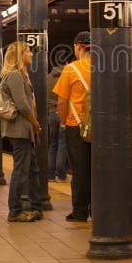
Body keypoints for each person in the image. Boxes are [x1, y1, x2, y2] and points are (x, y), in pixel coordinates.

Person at [1, 41, 44, 222]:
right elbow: (23, 105)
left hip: (24, 129)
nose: (31, 54)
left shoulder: (22, 75)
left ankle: (36, 206)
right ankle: (15, 211)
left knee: (33, 169)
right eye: (27, 52)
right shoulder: (14, 76)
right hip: (20, 129)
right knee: (20, 171)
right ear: (19, 55)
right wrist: (35, 123)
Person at [53, 32, 92, 222]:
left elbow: (62, 102)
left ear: (77, 47)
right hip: (99, 127)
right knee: (97, 168)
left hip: (75, 125)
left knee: (79, 169)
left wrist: (62, 121)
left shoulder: (71, 69)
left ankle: (80, 211)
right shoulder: (103, 67)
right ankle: (98, 208)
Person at [46, 64, 67, 182]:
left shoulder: (48, 78)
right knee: (63, 144)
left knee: (53, 144)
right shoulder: (66, 76)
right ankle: (61, 174)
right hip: (63, 113)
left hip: (52, 114)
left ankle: (50, 175)